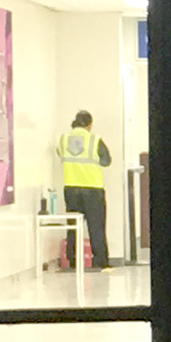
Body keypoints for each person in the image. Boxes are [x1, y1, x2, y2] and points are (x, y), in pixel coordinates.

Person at [59, 109, 114, 271]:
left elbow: (59, 154)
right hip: (93, 189)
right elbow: (106, 161)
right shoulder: (94, 139)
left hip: (70, 188)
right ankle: (101, 262)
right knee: (96, 226)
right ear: (89, 125)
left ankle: (72, 261)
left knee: (73, 226)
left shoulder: (63, 139)